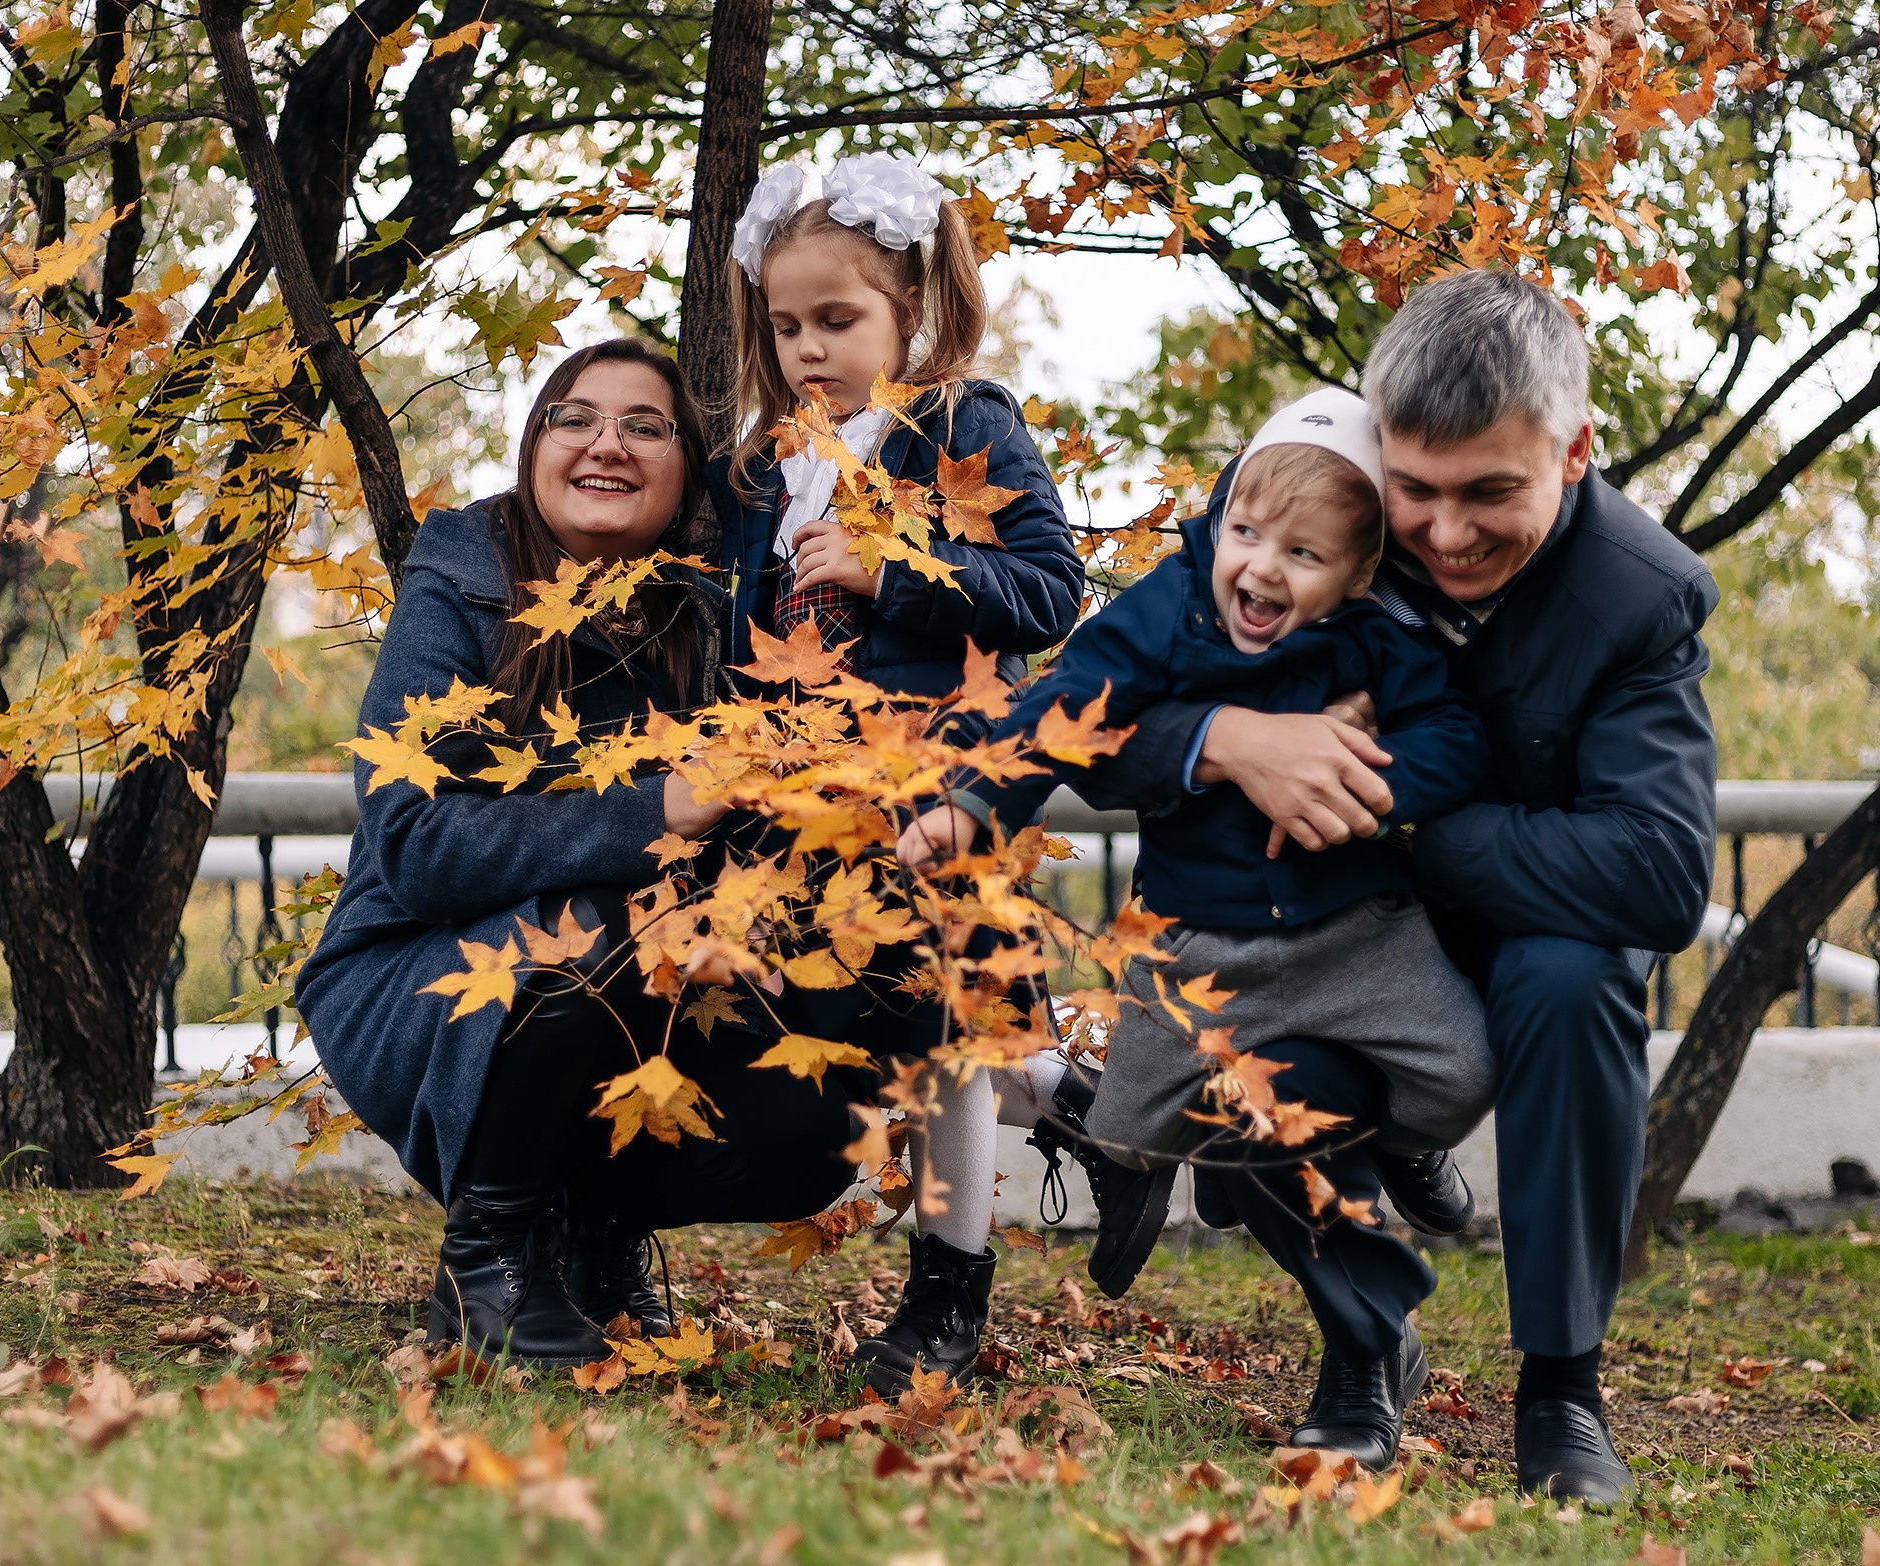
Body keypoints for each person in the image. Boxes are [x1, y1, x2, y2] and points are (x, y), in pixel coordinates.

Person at [1088, 270, 1719, 1501]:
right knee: (1247, 1059)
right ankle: (1361, 1357)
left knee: (1572, 976)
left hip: (1510, 930)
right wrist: (1223, 741)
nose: (1441, 532)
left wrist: (1397, 817)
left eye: (1491, 492)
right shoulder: (1298, 503)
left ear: (1574, 452)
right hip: (1312, 937)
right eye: (1414, 491)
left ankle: (1561, 1393)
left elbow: (1656, 874)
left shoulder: (1642, 598)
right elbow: (1092, 705)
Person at [899, 387, 1495, 1468]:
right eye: (1244, 534)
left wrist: (1375, 780)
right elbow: (1064, 705)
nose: (1261, 569)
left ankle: (1403, 1150)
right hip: (1204, 948)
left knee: (1453, 1067)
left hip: (1350, 931)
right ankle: (1311, 1273)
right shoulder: (1169, 609)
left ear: (1357, 572)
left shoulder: (1380, 640)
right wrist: (973, 805)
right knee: (1130, 1128)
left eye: (1302, 553)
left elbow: (1455, 735)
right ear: (1216, 522)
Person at [297, 339, 864, 1368]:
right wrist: (660, 808)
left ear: (684, 467)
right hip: (421, 976)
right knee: (590, 934)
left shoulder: (712, 611)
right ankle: (491, 1257)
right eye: (575, 417)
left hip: (648, 974)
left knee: (817, 1107)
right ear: (534, 446)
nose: (607, 443)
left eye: (643, 426)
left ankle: (596, 1239)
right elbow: (418, 847)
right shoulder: (464, 574)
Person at [708, 152, 1097, 1396]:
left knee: (945, 1033)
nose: (808, 348)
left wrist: (895, 571)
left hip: (933, 788)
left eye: (837, 320)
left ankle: (946, 1298)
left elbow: (1048, 591)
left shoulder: (959, 425)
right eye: (785, 325)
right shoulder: (773, 462)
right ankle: (1088, 1110)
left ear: (910, 313)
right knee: (873, 1021)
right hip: (805, 802)